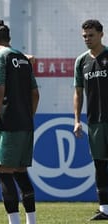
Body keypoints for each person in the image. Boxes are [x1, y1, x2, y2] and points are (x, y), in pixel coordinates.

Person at [0, 20, 39, 224]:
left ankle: (14, 222)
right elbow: (35, 94)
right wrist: (28, 115)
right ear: (9, 38)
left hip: (8, 123)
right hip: (26, 123)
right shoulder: (23, 58)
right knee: (21, 172)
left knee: (4, 171)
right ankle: (31, 221)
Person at [73, 19, 108, 221]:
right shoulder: (81, 62)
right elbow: (78, 93)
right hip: (95, 122)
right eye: (85, 36)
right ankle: (104, 209)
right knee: (100, 165)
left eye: (91, 35)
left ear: (101, 34)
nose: (87, 39)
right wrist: (77, 120)